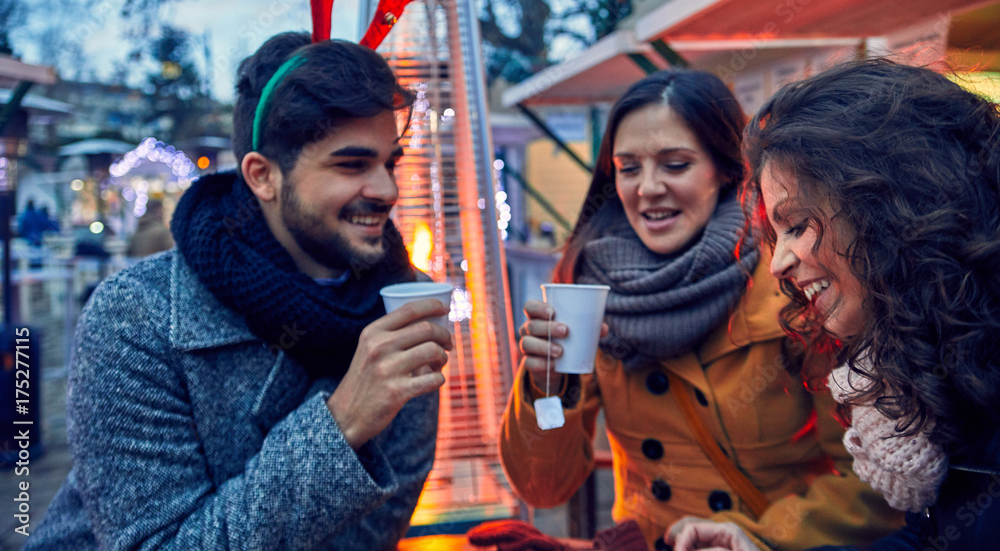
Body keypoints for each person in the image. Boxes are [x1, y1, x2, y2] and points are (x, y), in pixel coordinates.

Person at [28, 33, 453, 550]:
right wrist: (341, 425)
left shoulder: (405, 302)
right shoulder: (137, 316)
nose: (387, 190)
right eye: (351, 164)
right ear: (263, 176)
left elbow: (379, 528)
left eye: (391, 162)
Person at [499, 70, 900, 550]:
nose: (647, 188)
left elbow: (872, 480)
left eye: (675, 165)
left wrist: (757, 538)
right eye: (628, 168)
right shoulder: (591, 287)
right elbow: (543, 487)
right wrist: (546, 379)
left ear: (727, 171)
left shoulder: (795, 287)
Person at [668, 59, 1000, 550]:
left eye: (797, 225)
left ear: (889, 208)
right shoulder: (923, 370)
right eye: (775, 234)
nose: (778, 263)